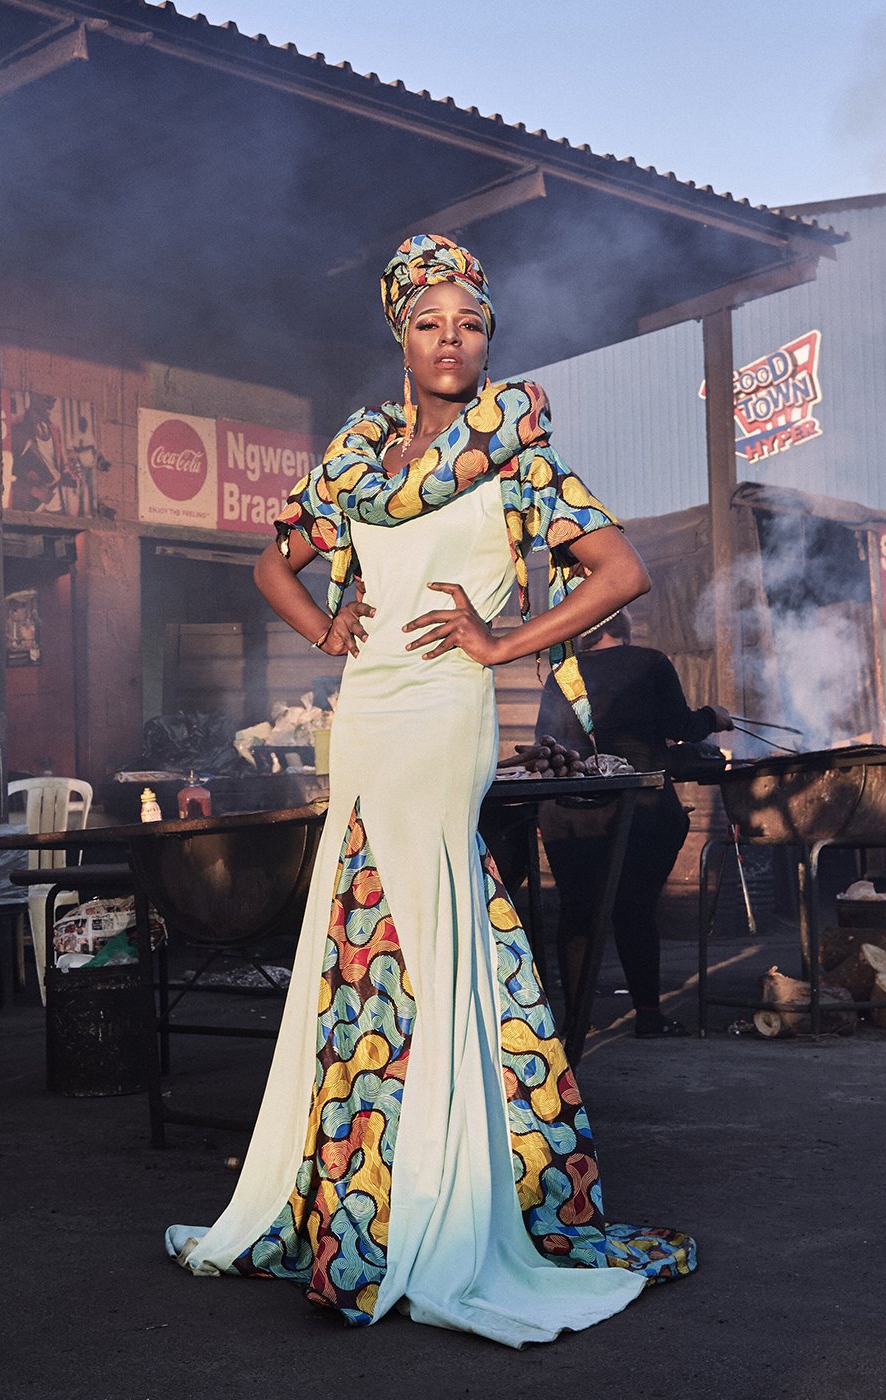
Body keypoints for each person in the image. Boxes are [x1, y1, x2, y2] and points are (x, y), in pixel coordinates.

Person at [165, 235, 695, 1345]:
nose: (450, 340)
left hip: (448, 716)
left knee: (428, 918)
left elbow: (621, 570)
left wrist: (505, 641)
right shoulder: (357, 455)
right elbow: (270, 559)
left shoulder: (517, 449)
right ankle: (364, 1185)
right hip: (363, 715)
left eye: (469, 323)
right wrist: (325, 624)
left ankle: (439, 1193)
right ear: (398, 333)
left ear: (488, 334)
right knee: (355, 928)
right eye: (428, 323)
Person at [535, 607, 728, 1037]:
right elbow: (683, 725)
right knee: (636, 909)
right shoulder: (650, 663)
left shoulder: (563, 674)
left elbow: (545, 743)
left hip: (569, 813)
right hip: (641, 809)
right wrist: (713, 716)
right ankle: (648, 1016)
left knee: (577, 912)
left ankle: (575, 1024)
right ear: (624, 627)